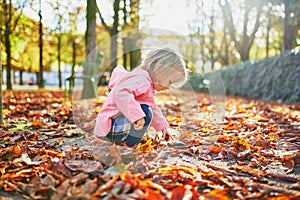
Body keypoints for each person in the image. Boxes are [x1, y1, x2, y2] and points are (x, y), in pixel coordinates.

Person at [94, 48, 188, 147]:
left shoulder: (144, 80)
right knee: (145, 111)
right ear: (159, 71)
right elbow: (121, 93)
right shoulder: (142, 79)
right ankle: (129, 145)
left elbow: (153, 107)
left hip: (110, 127)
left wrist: (163, 128)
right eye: (169, 82)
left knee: (147, 110)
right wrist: (137, 116)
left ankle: (128, 142)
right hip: (110, 128)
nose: (168, 87)